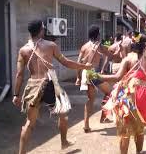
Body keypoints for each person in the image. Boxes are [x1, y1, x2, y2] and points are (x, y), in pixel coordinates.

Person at [91, 33, 146, 154]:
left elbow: (117, 77)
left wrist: (98, 76)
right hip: (143, 97)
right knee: (140, 128)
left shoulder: (128, 59)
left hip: (127, 96)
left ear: (133, 45)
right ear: (145, 46)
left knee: (125, 131)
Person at [12, 20, 92, 154]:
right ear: (41, 30)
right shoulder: (50, 45)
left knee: (29, 124)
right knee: (63, 114)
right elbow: (66, 62)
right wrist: (84, 66)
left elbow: (19, 74)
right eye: (43, 28)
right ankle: (64, 142)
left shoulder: (23, 50)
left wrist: (16, 94)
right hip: (49, 82)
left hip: (32, 85)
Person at [77, 25, 122, 132]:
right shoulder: (99, 46)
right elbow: (114, 56)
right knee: (110, 92)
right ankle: (104, 116)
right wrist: (118, 49)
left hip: (85, 74)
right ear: (97, 35)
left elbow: (79, 63)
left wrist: (78, 78)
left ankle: (86, 125)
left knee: (90, 99)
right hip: (93, 74)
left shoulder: (84, 46)